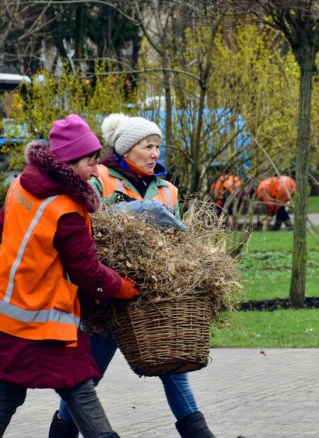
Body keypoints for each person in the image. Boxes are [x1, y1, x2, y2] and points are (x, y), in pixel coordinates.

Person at [0, 115, 139, 438]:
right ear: (69, 162)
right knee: (77, 387)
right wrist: (122, 287)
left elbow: (3, 226)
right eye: (90, 162)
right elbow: (89, 274)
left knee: (5, 394)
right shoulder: (66, 210)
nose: (95, 170)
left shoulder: (20, 184)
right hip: (34, 323)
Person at [50, 113, 215, 438]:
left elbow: (179, 242)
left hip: (150, 299)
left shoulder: (168, 190)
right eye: (147, 146)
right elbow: (86, 227)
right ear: (126, 149)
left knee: (172, 368)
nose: (155, 154)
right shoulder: (99, 178)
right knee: (89, 375)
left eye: (157, 147)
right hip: (107, 296)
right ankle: (61, 433)